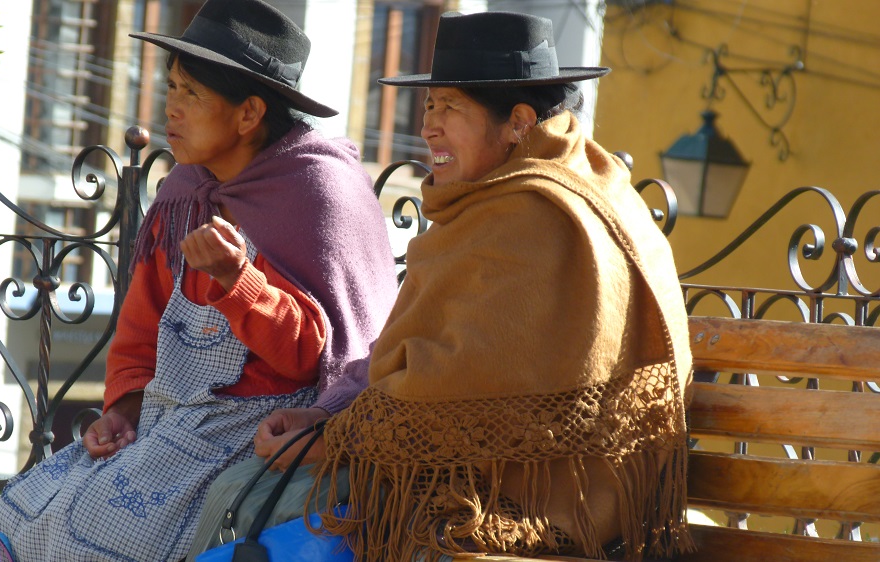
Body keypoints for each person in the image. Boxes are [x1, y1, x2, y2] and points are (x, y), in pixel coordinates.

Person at [226, 10, 694, 562]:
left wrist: (334, 439)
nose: (428, 126)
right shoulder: (588, 180)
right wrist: (327, 418)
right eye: (429, 105)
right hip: (564, 491)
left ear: (519, 121)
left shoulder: (526, 215)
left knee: (258, 501)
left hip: (534, 510)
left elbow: (450, 386)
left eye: (450, 106)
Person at [0, 1, 397, 560]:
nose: (170, 107)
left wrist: (237, 280)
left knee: (96, 531)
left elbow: (317, 357)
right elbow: (140, 329)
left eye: (192, 93)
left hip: (253, 431)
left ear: (248, 114)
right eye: (171, 86)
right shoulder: (184, 192)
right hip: (165, 422)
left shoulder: (319, 194)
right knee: (21, 510)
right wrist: (122, 412)